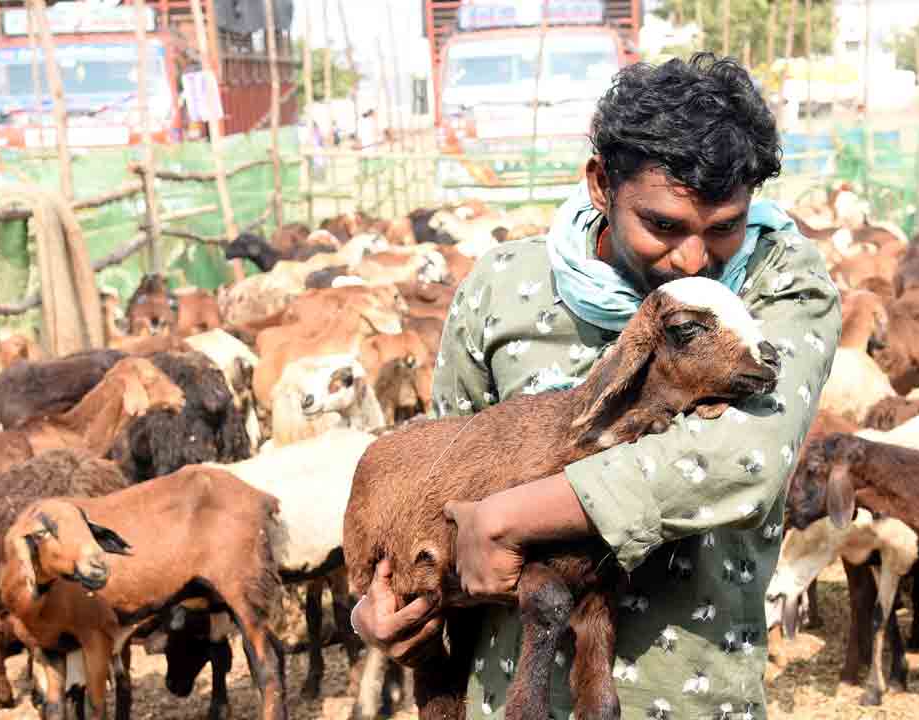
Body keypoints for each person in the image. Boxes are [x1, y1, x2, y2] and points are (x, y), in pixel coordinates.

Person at [352, 52, 841, 720]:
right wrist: (385, 615)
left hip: (690, 701)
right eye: (663, 225)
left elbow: (742, 460)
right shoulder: (501, 289)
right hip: (511, 699)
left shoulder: (777, 285)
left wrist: (509, 515)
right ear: (601, 184)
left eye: (724, 227)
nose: (694, 259)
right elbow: (442, 486)